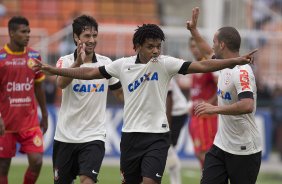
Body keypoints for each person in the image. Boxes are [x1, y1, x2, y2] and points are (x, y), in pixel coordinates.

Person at [34, 23, 256, 184]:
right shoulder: (121, 65)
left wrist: (236, 61)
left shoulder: (165, 64)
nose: (156, 51)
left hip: (157, 137)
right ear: (138, 46)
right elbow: (90, 72)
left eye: (159, 46)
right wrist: (52, 69)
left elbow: (203, 66)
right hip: (130, 137)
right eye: (151, 46)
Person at [187, 7, 261, 184]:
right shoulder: (223, 64)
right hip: (221, 145)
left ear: (222, 45)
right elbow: (206, 52)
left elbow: (247, 105)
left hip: (244, 150)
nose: (212, 45)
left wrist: (215, 109)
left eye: (214, 41)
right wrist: (193, 30)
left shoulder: (242, 71)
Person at [52, 15, 123, 184]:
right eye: (87, 36)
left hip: (94, 135)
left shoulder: (106, 64)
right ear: (76, 37)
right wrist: (77, 63)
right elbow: (61, 84)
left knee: (88, 180)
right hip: (65, 136)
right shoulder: (65, 61)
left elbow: (120, 94)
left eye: (94, 36)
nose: (92, 40)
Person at [0, 16, 48, 184]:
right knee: (3, 167)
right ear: (12, 33)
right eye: (23, 32)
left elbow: (38, 87)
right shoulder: (1, 58)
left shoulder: (34, 56)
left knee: (37, 161)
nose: (27, 35)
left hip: (30, 122)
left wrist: (45, 114)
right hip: (5, 124)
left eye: (29, 31)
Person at [188, 37, 218, 168]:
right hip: (195, 116)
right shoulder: (195, 66)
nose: (195, 49)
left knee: (206, 153)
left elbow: (221, 88)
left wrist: (209, 105)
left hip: (207, 117)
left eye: (197, 46)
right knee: (199, 152)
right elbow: (194, 91)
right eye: (192, 46)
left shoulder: (210, 66)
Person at [166, 78, 189, 184]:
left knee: (167, 145)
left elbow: (169, 98)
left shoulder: (161, 70)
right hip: (175, 112)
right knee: (169, 148)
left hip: (177, 112)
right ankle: (174, 175)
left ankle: (175, 175)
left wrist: (167, 125)